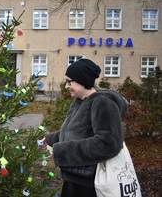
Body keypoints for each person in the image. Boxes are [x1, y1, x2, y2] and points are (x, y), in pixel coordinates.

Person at [39, 58, 128, 197]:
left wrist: (62, 151)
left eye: (70, 81)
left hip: (90, 184)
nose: (66, 86)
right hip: (74, 178)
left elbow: (108, 144)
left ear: (83, 80)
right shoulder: (80, 102)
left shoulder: (103, 103)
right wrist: (50, 139)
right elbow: (74, 132)